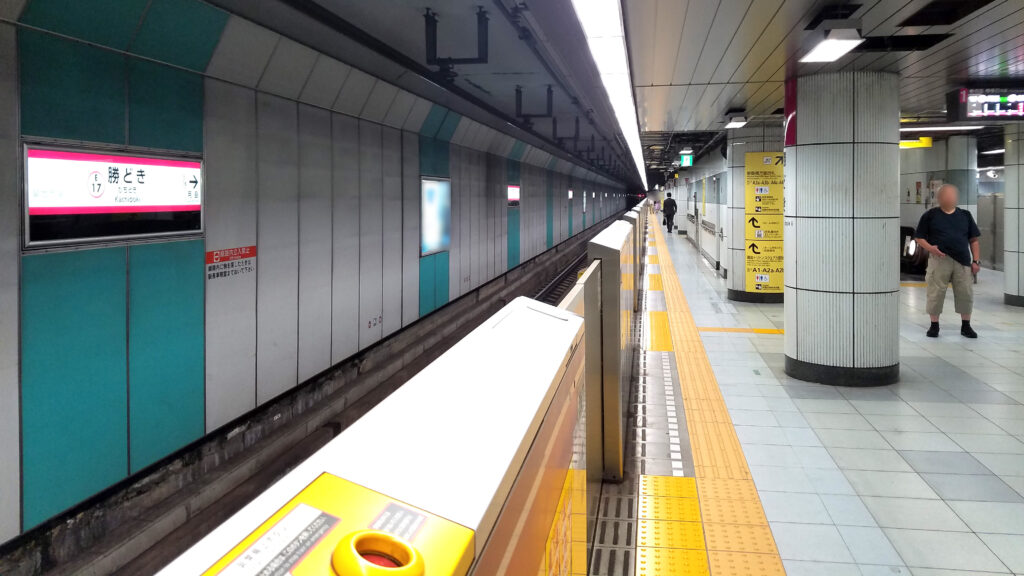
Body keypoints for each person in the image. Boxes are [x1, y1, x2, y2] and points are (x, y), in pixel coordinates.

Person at [914, 184, 981, 338]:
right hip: (939, 259)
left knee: (965, 293)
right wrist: (931, 249)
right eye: (946, 195)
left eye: (952, 195)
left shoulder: (965, 215)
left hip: (963, 261)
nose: (949, 198)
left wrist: (976, 261)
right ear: (939, 198)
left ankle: (966, 326)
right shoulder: (930, 215)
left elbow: (974, 240)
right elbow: (919, 237)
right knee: (935, 292)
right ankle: (934, 326)